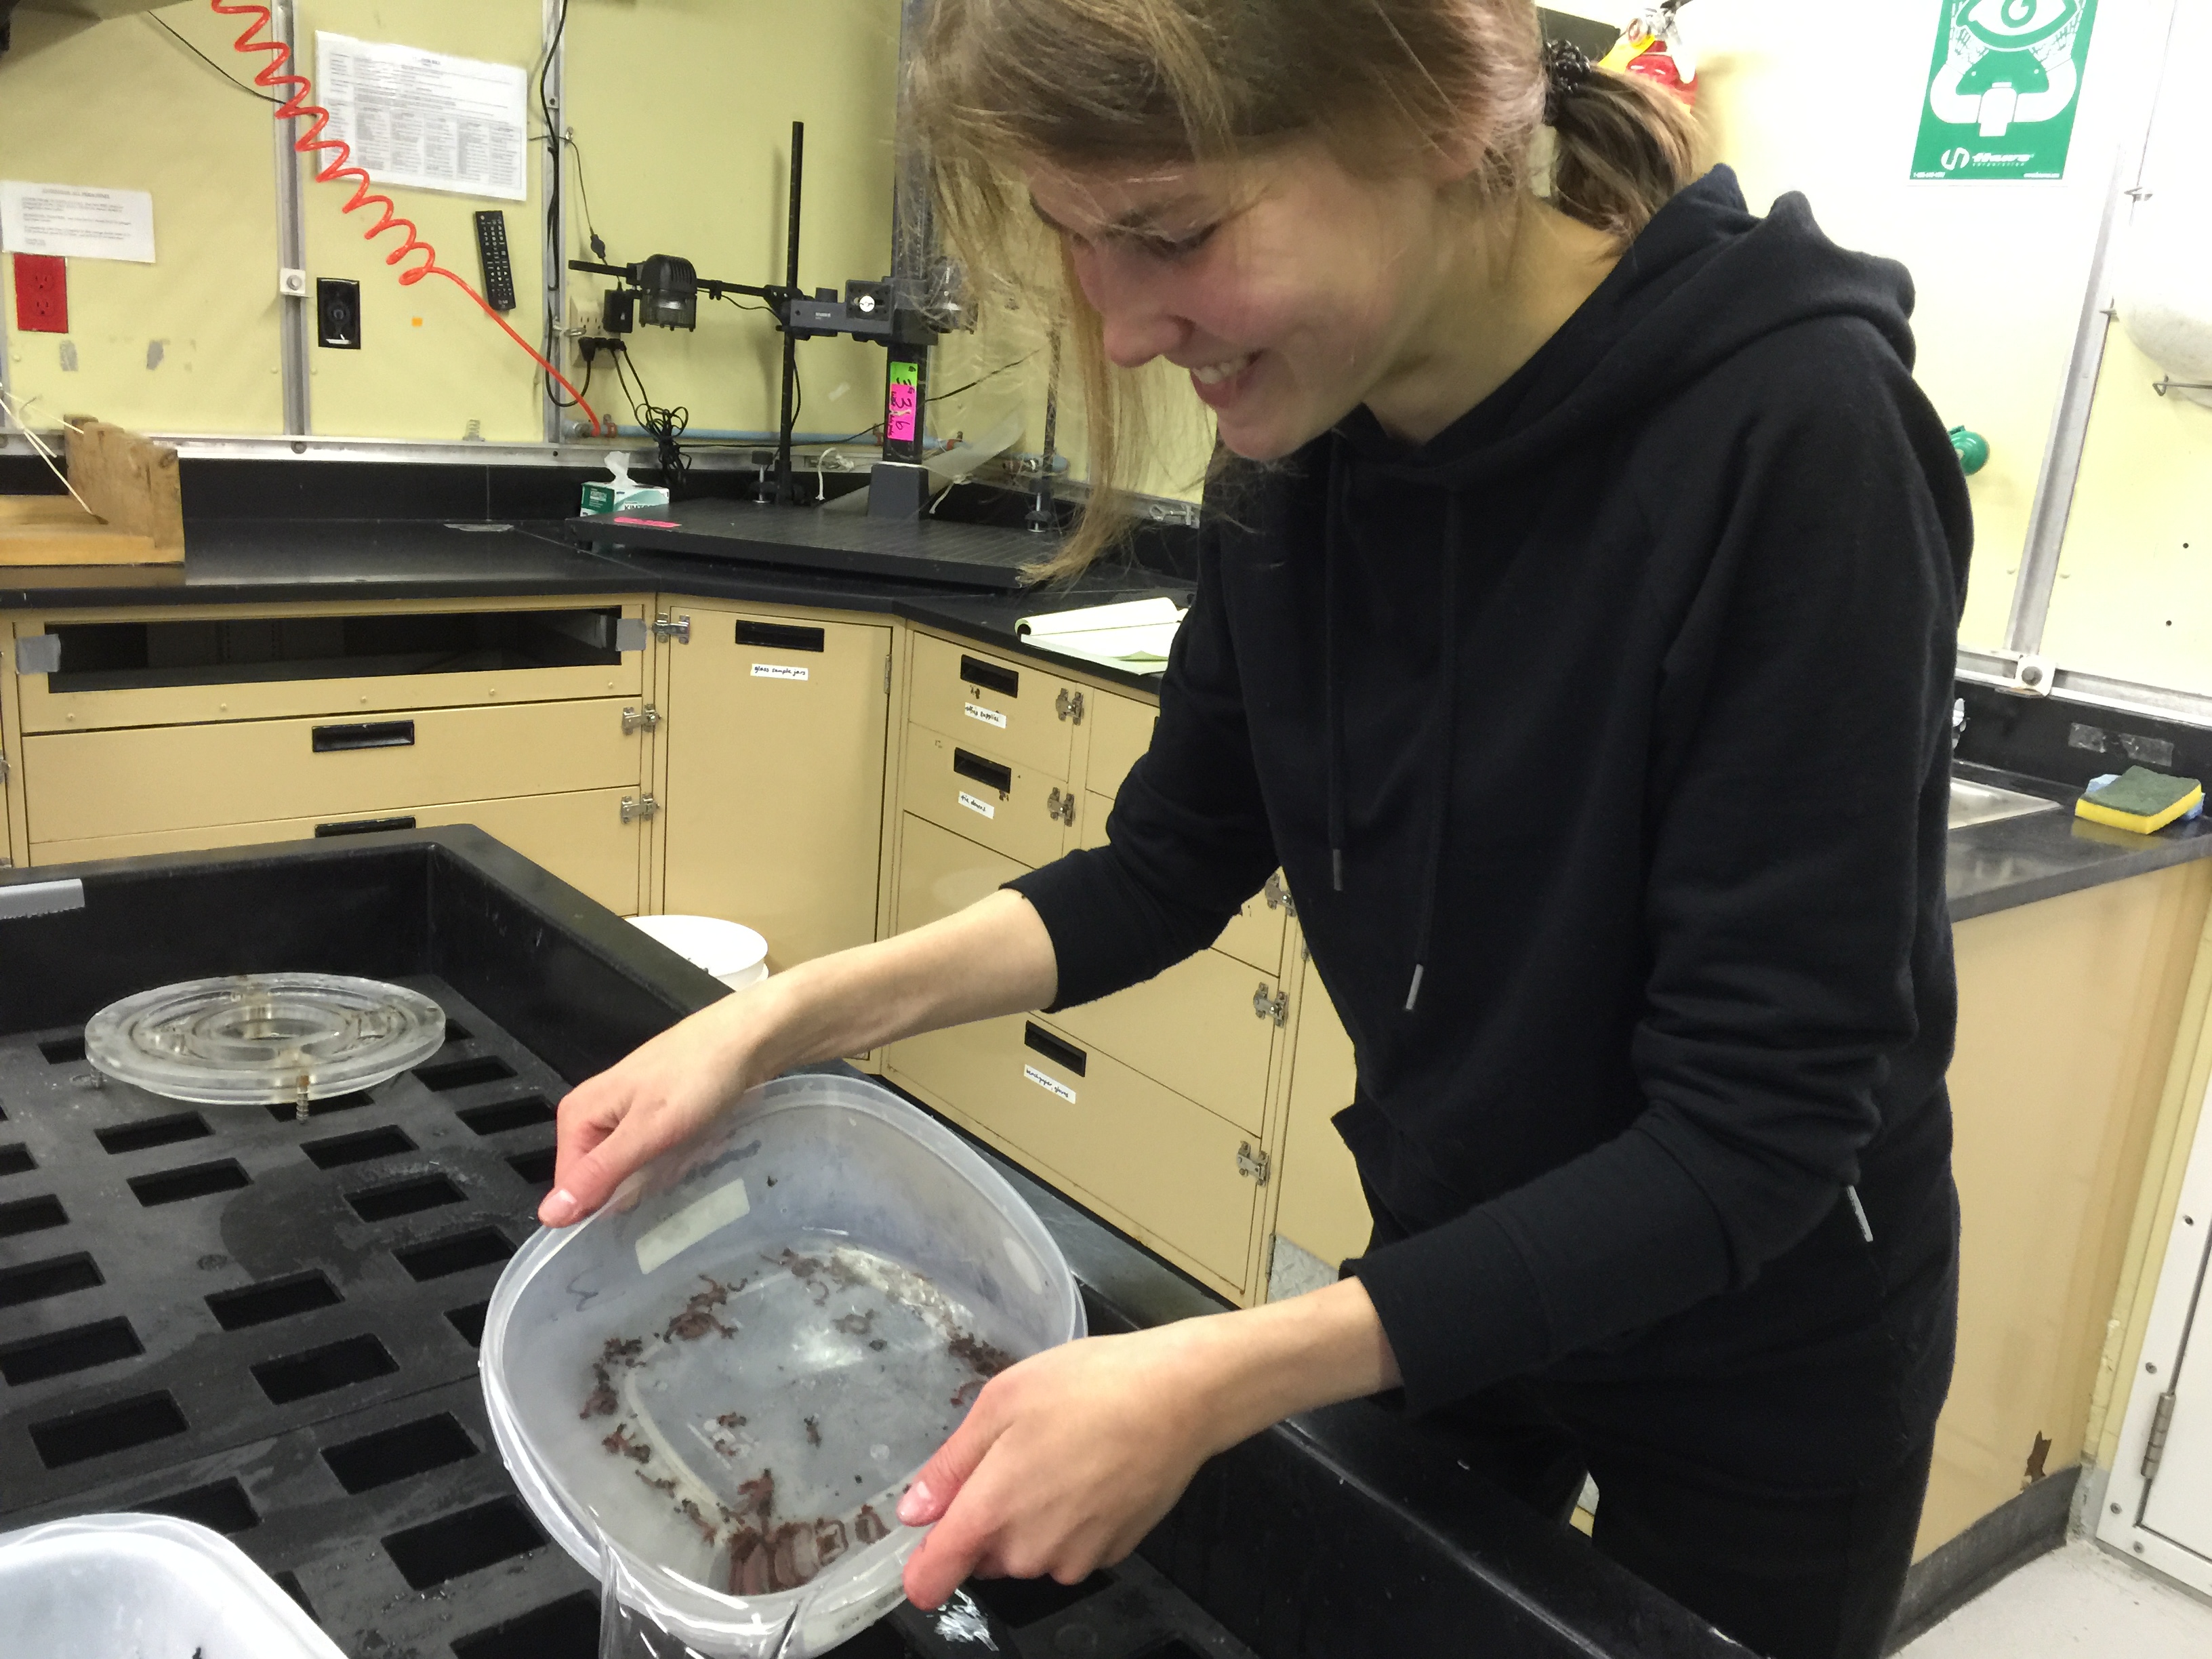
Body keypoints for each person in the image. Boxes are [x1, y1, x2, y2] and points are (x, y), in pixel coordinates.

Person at [538, 5, 1968, 1656]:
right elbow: (1166, 863)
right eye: (1082, 245)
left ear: (1442, 117)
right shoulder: (1300, 443)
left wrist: (1209, 1375)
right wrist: (785, 1021)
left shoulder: (1798, 438)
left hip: (1759, 1338)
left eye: (1170, 233)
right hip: (1458, 1267)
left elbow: (1756, 1130)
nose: (1129, 328)